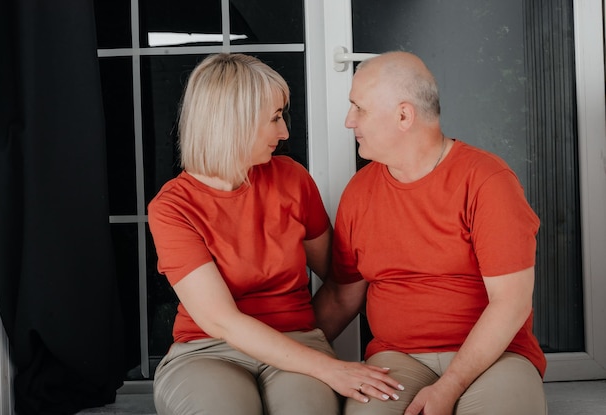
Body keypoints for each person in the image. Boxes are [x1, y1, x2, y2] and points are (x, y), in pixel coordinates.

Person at [147, 53, 404, 415]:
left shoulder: (292, 178)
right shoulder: (173, 206)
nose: (284, 133)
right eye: (275, 118)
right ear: (234, 122)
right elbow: (221, 320)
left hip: (299, 342)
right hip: (208, 349)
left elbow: (341, 276)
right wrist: (333, 369)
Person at [313, 51, 548, 415]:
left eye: (359, 108)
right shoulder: (360, 191)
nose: (348, 121)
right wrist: (288, 355)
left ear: (404, 116)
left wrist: (449, 387)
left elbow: (511, 303)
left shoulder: (487, 181)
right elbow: (343, 295)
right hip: (398, 358)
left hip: (495, 357)